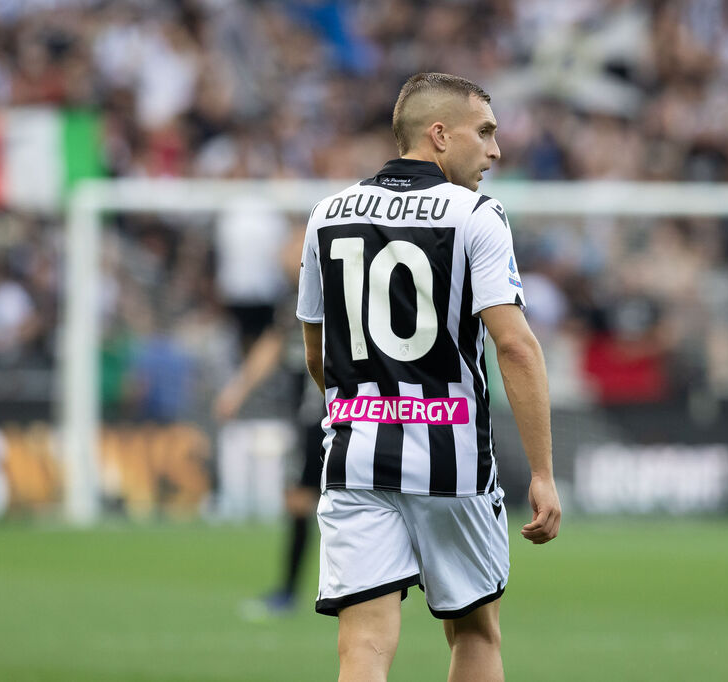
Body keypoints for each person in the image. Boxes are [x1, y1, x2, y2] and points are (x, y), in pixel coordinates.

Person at [296, 72, 560, 682]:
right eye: (485, 133)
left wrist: (360, 417)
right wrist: (542, 472)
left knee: (361, 647)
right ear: (439, 135)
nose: (495, 150)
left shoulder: (326, 215)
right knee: (474, 632)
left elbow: (319, 355)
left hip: (356, 457)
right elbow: (515, 348)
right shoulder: (477, 215)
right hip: (452, 458)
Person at [213, 226, 326, 615]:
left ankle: (291, 593)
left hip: (324, 412)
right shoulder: (291, 299)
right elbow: (272, 346)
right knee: (312, 499)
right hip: (308, 414)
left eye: (291, 243)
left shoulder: (332, 285)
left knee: (305, 498)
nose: (281, 253)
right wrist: (236, 391)